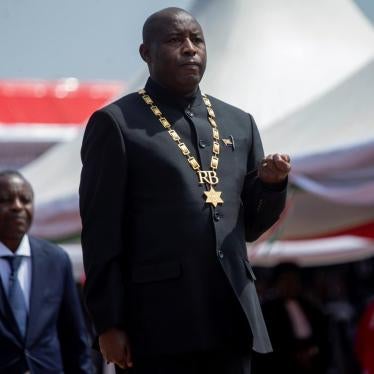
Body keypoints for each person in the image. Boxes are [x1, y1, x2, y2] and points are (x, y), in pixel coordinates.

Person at [79, 7, 291, 374]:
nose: (190, 49)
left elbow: (251, 227)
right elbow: (100, 233)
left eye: (197, 40)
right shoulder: (116, 125)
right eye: (176, 40)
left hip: (231, 313)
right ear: (146, 53)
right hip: (159, 322)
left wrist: (272, 187)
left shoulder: (239, 123)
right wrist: (109, 323)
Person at [0, 170, 92, 373]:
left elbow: (75, 338)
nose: (17, 206)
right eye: (6, 200)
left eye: (25, 200)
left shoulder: (56, 260)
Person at [254, 263, 329, 374]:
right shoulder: (268, 310)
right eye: (285, 280)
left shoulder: (311, 308)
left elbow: (323, 336)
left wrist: (312, 352)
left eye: (294, 280)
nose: (290, 285)